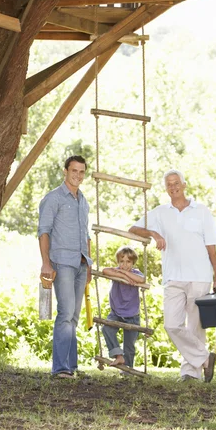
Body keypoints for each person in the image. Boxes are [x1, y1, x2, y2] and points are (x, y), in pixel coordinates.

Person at [129, 169, 216, 383]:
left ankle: (191, 373)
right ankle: (205, 358)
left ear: (184, 184)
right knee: (171, 324)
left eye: (176, 183)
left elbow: (211, 247)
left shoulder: (201, 211)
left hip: (200, 276)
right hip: (173, 277)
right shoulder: (160, 213)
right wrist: (153, 233)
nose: (173, 187)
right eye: (169, 184)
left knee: (195, 327)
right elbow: (134, 228)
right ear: (166, 189)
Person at [38, 155, 92, 378]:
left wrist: (89, 264)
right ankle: (60, 367)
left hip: (81, 264)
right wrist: (45, 263)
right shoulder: (53, 198)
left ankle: (71, 366)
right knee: (65, 313)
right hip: (63, 263)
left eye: (81, 172)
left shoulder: (83, 201)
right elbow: (44, 231)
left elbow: (86, 235)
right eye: (74, 171)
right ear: (65, 171)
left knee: (74, 316)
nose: (77, 175)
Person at [102, 246, 145, 369]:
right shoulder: (116, 271)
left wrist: (125, 274)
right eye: (122, 262)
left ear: (133, 263)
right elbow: (105, 270)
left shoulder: (135, 273)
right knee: (107, 329)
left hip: (132, 314)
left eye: (128, 262)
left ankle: (128, 370)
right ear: (118, 262)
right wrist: (124, 275)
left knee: (129, 346)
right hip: (116, 312)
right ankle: (118, 355)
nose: (124, 265)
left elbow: (141, 279)